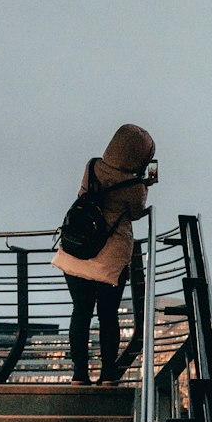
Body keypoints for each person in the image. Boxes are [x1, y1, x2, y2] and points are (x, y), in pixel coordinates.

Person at [53, 125, 155, 386]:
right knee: (108, 315)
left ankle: (79, 374)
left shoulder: (92, 166)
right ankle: (108, 374)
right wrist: (146, 185)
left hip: (77, 249)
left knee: (80, 312)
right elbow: (134, 212)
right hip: (110, 258)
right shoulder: (135, 186)